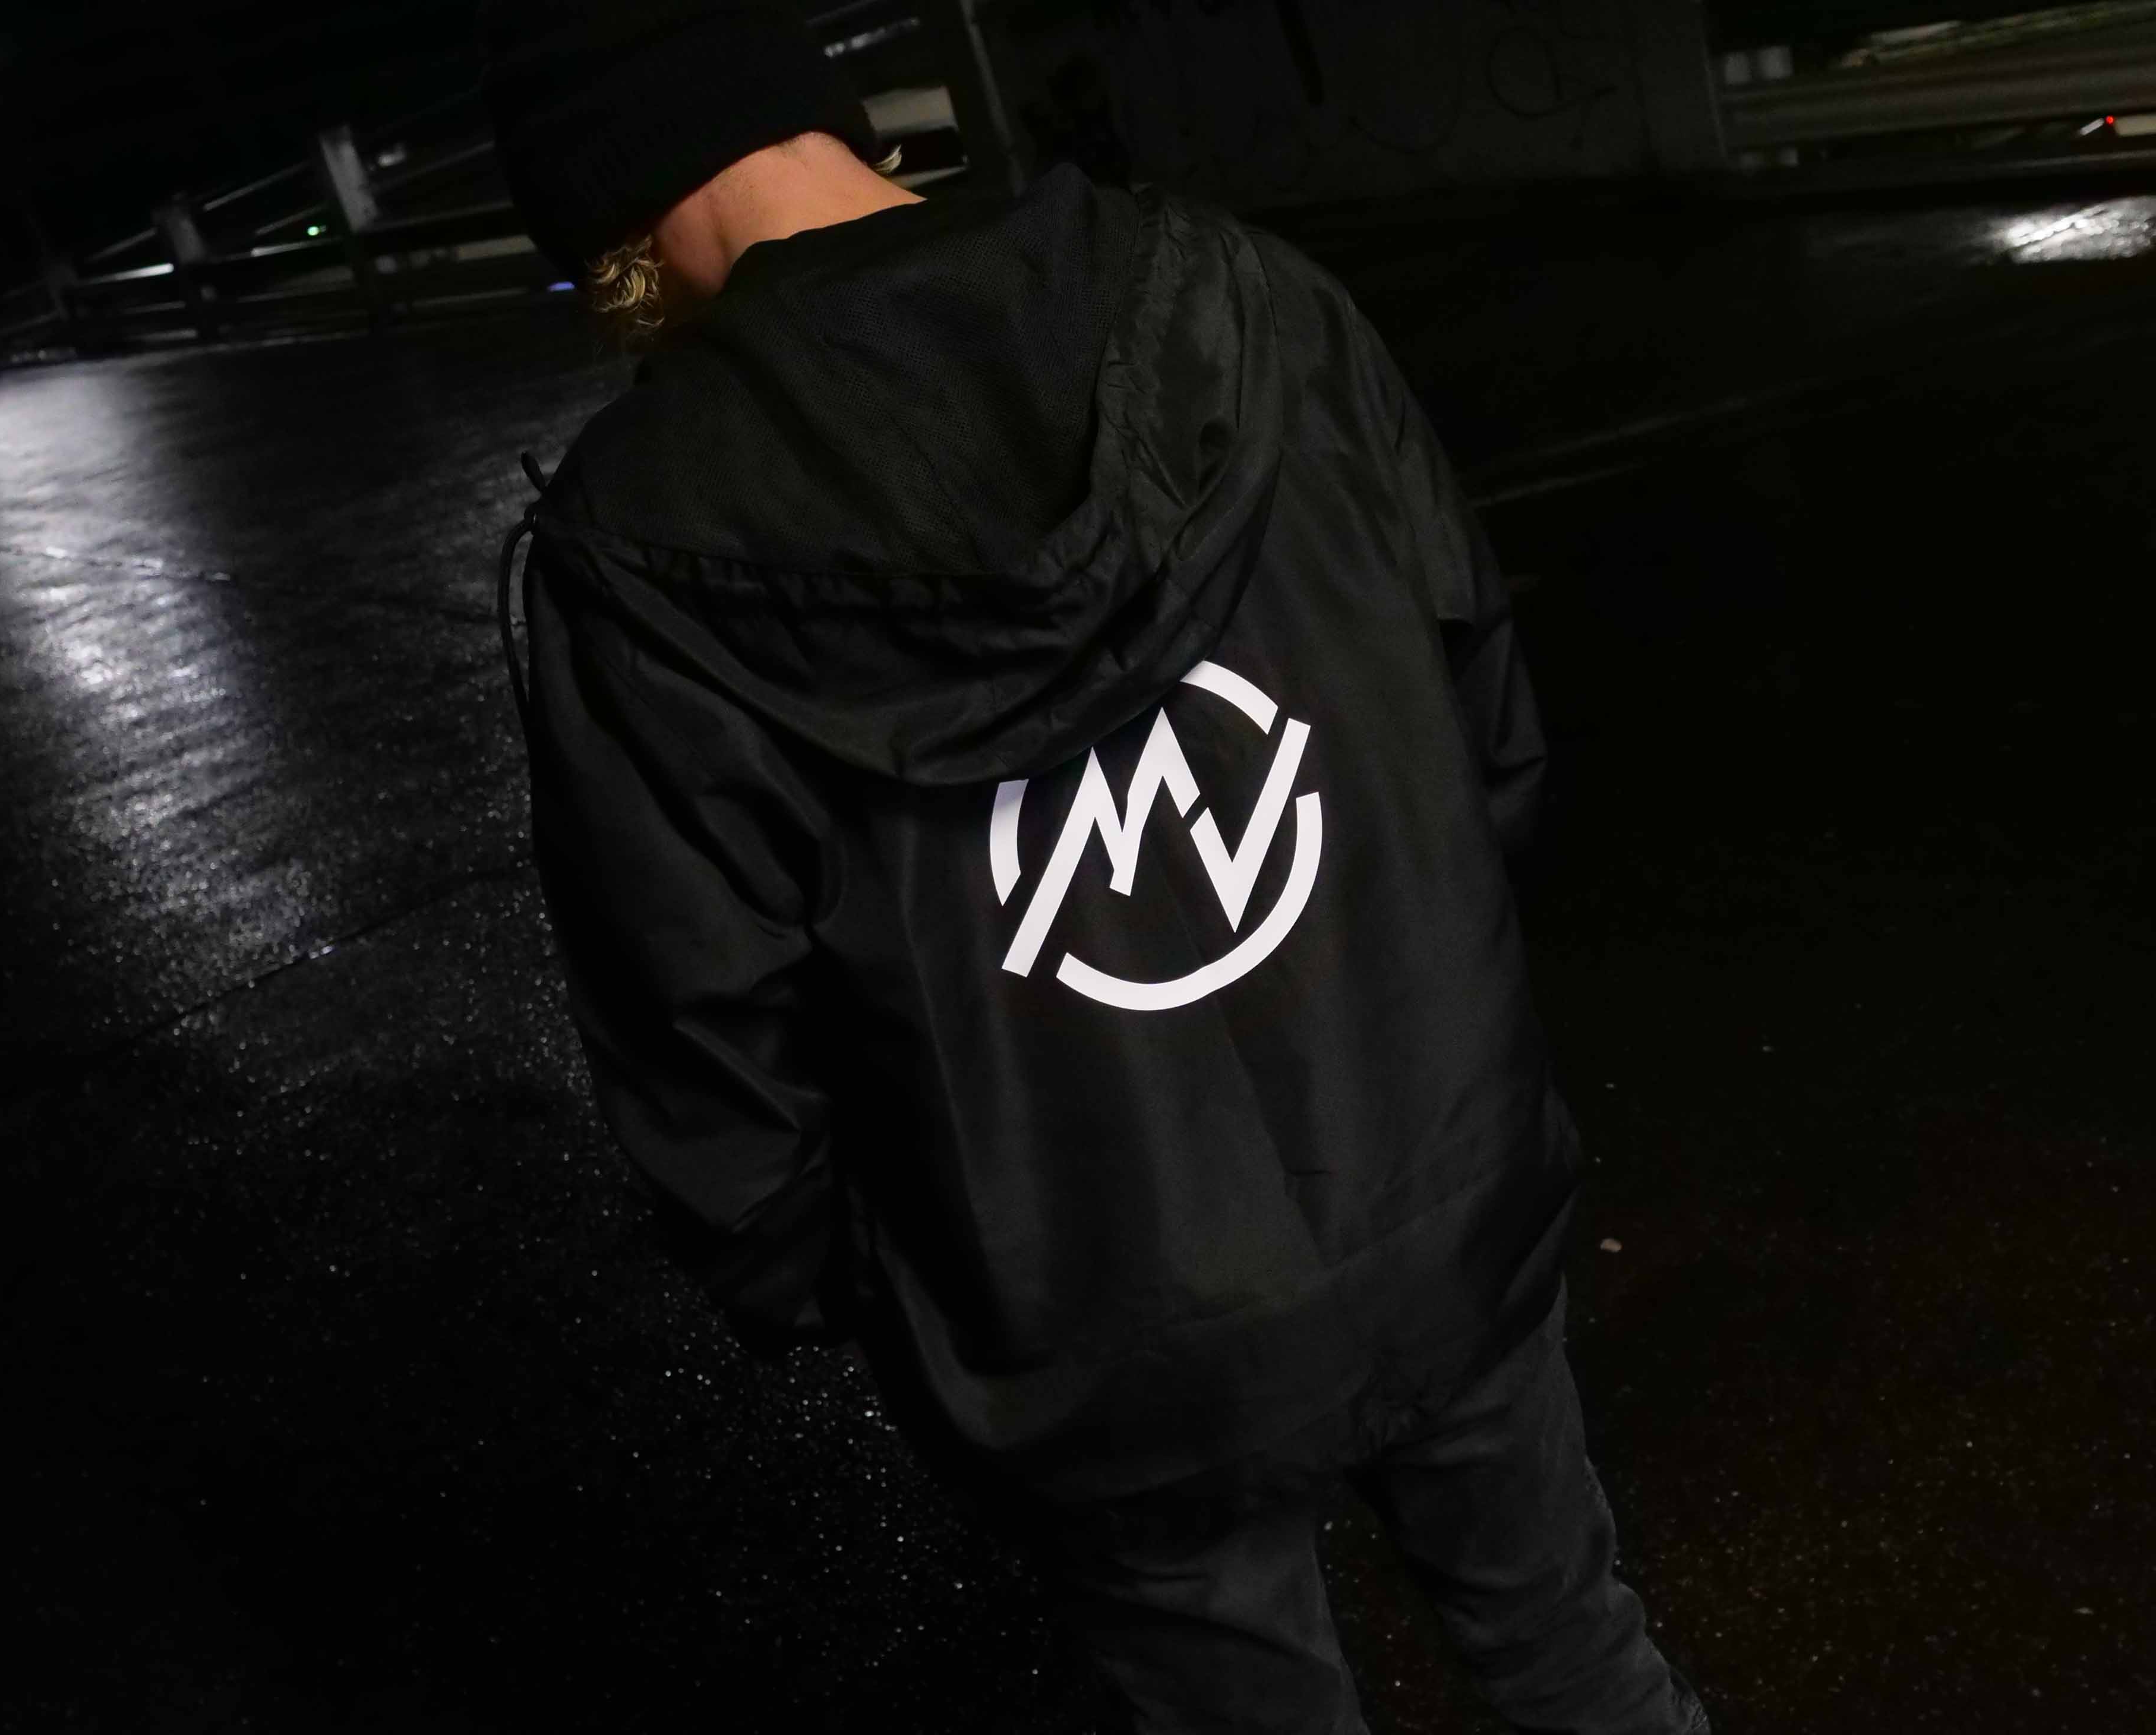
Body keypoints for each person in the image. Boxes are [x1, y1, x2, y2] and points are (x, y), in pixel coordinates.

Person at [480, 5, 1712, 1730]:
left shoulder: (632, 545)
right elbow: (1482, 723)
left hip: (1098, 1336)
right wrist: (1438, 1029)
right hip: (1442, 1183)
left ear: (621, 217)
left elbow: (702, 1043)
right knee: (1572, 1652)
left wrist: (896, 1292)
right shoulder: (1236, 295)